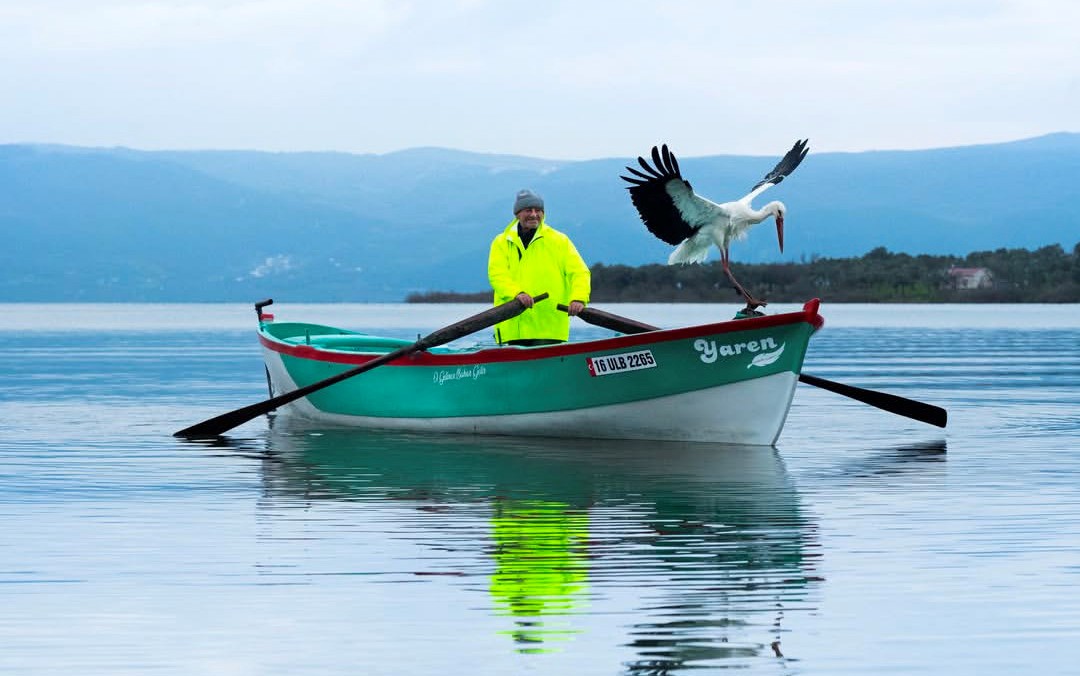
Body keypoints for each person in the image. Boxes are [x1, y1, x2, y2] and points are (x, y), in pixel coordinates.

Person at [488, 189, 591, 346]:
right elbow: (497, 275)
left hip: (549, 327)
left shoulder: (559, 241)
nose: (534, 215)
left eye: (538, 210)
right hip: (511, 327)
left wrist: (578, 298)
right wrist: (517, 293)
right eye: (528, 210)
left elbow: (579, 272)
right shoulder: (501, 242)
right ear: (517, 214)